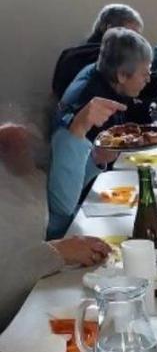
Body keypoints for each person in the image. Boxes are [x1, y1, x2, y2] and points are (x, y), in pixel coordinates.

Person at [49, 28, 157, 239]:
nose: (149, 79)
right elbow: (63, 207)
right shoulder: (87, 105)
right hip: (71, 226)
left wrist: (96, 158)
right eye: (145, 73)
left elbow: (132, 109)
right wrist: (78, 130)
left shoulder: (109, 85)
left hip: (90, 198)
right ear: (122, 74)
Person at [0, 123, 110, 332]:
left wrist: (94, 160)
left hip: (34, 300)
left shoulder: (17, 151)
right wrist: (55, 252)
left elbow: (50, 205)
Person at [52, 4, 157, 101]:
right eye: (130, 36)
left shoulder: (75, 55)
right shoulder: (99, 60)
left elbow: (138, 78)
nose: (135, 43)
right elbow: (134, 82)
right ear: (109, 29)